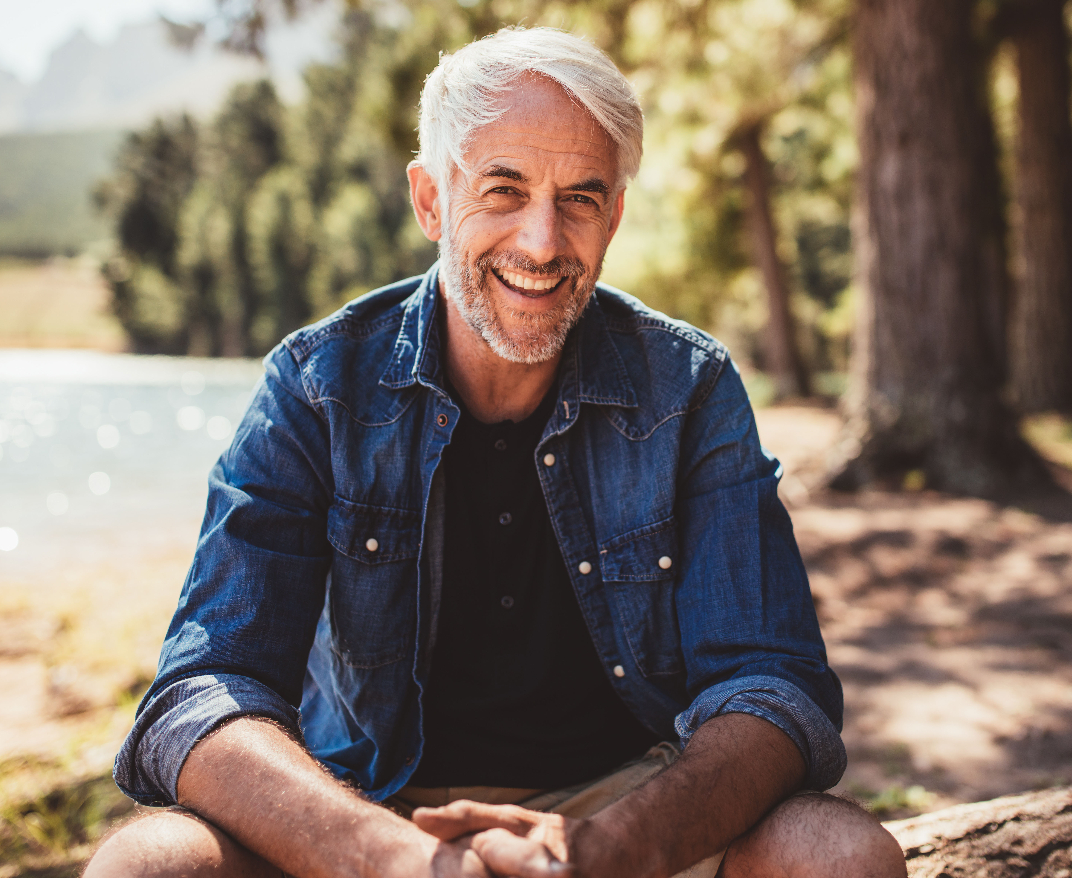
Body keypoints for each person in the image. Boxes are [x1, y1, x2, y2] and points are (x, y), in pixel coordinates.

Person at [86, 27, 906, 878]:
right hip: (365, 810)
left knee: (837, 854)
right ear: (431, 199)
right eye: (504, 189)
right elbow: (204, 689)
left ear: (615, 215)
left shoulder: (688, 388)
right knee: (149, 864)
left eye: (581, 198)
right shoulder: (318, 385)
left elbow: (773, 687)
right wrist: (395, 858)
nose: (544, 241)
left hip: (629, 810)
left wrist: (603, 850)